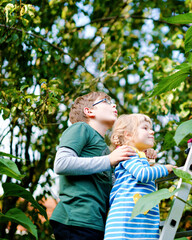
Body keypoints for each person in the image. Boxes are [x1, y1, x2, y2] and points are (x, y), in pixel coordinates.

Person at [50, 92, 154, 240]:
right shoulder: (81, 128)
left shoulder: (105, 148)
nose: (114, 105)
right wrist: (109, 160)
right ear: (89, 111)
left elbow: (117, 184)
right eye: (106, 101)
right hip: (76, 219)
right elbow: (61, 163)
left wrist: (142, 155)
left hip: (97, 223)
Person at [104, 114, 176, 240]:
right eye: (145, 128)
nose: (152, 131)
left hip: (139, 223)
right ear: (128, 135)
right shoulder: (127, 153)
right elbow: (143, 174)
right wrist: (165, 168)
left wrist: (148, 159)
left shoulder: (138, 157)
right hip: (124, 224)